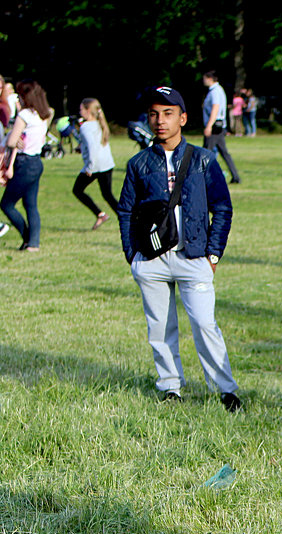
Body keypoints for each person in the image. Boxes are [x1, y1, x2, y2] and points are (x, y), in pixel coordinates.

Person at [116, 86, 240, 411]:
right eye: (154, 114)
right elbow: (126, 209)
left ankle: (225, 390)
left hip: (195, 256)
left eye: (168, 114)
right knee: (159, 326)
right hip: (151, 258)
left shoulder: (203, 159)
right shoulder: (138, 163)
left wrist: (213, 254)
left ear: (183, 118)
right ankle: (171, 387)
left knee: (204, 323)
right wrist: (133, 255)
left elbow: (222, 208)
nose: (160, 121)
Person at [1, 80, 52, 251]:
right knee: (30, 205)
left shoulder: (24, 115)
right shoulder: (42, 115)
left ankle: (26, 236)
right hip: (36, 162)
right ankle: (33, 243)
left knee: (7, 204)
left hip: (24, 163)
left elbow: (11, 141)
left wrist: (14, 140)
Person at [72, 97, 119, 230]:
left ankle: (100, 214)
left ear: (88, 110)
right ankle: (125, 218)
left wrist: (89, 167)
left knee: (77, 190)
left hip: (95, 166)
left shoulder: (85, 127)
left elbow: (92, 148)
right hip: (107, 164)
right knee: (108, 195)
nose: (79, 111)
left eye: (81, 109)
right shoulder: (100, 123)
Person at [202, 70, 241, 184]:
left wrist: (209, 125)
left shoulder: (215, 91)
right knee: (224, 153)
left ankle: (204, 178)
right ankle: (235, 176)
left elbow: (216, 108)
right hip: (219, 126)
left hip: (215, 126)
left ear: (210, 78)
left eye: (205, 78)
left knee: (205, 153)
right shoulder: (217, 90)